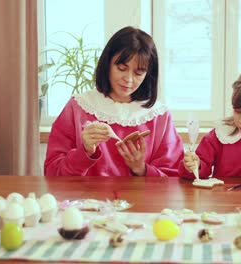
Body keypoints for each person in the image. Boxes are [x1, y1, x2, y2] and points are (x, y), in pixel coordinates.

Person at [45, 26, 184, 177]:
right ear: (107, 64)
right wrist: (84, 152)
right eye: (122, 68)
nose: (129, 79)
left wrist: (141, 169)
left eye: (139, 73)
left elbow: (174, 179)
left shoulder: (158, 115)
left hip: (141, 200)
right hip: (88, 200)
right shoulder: (78, 107)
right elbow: (52, 172)